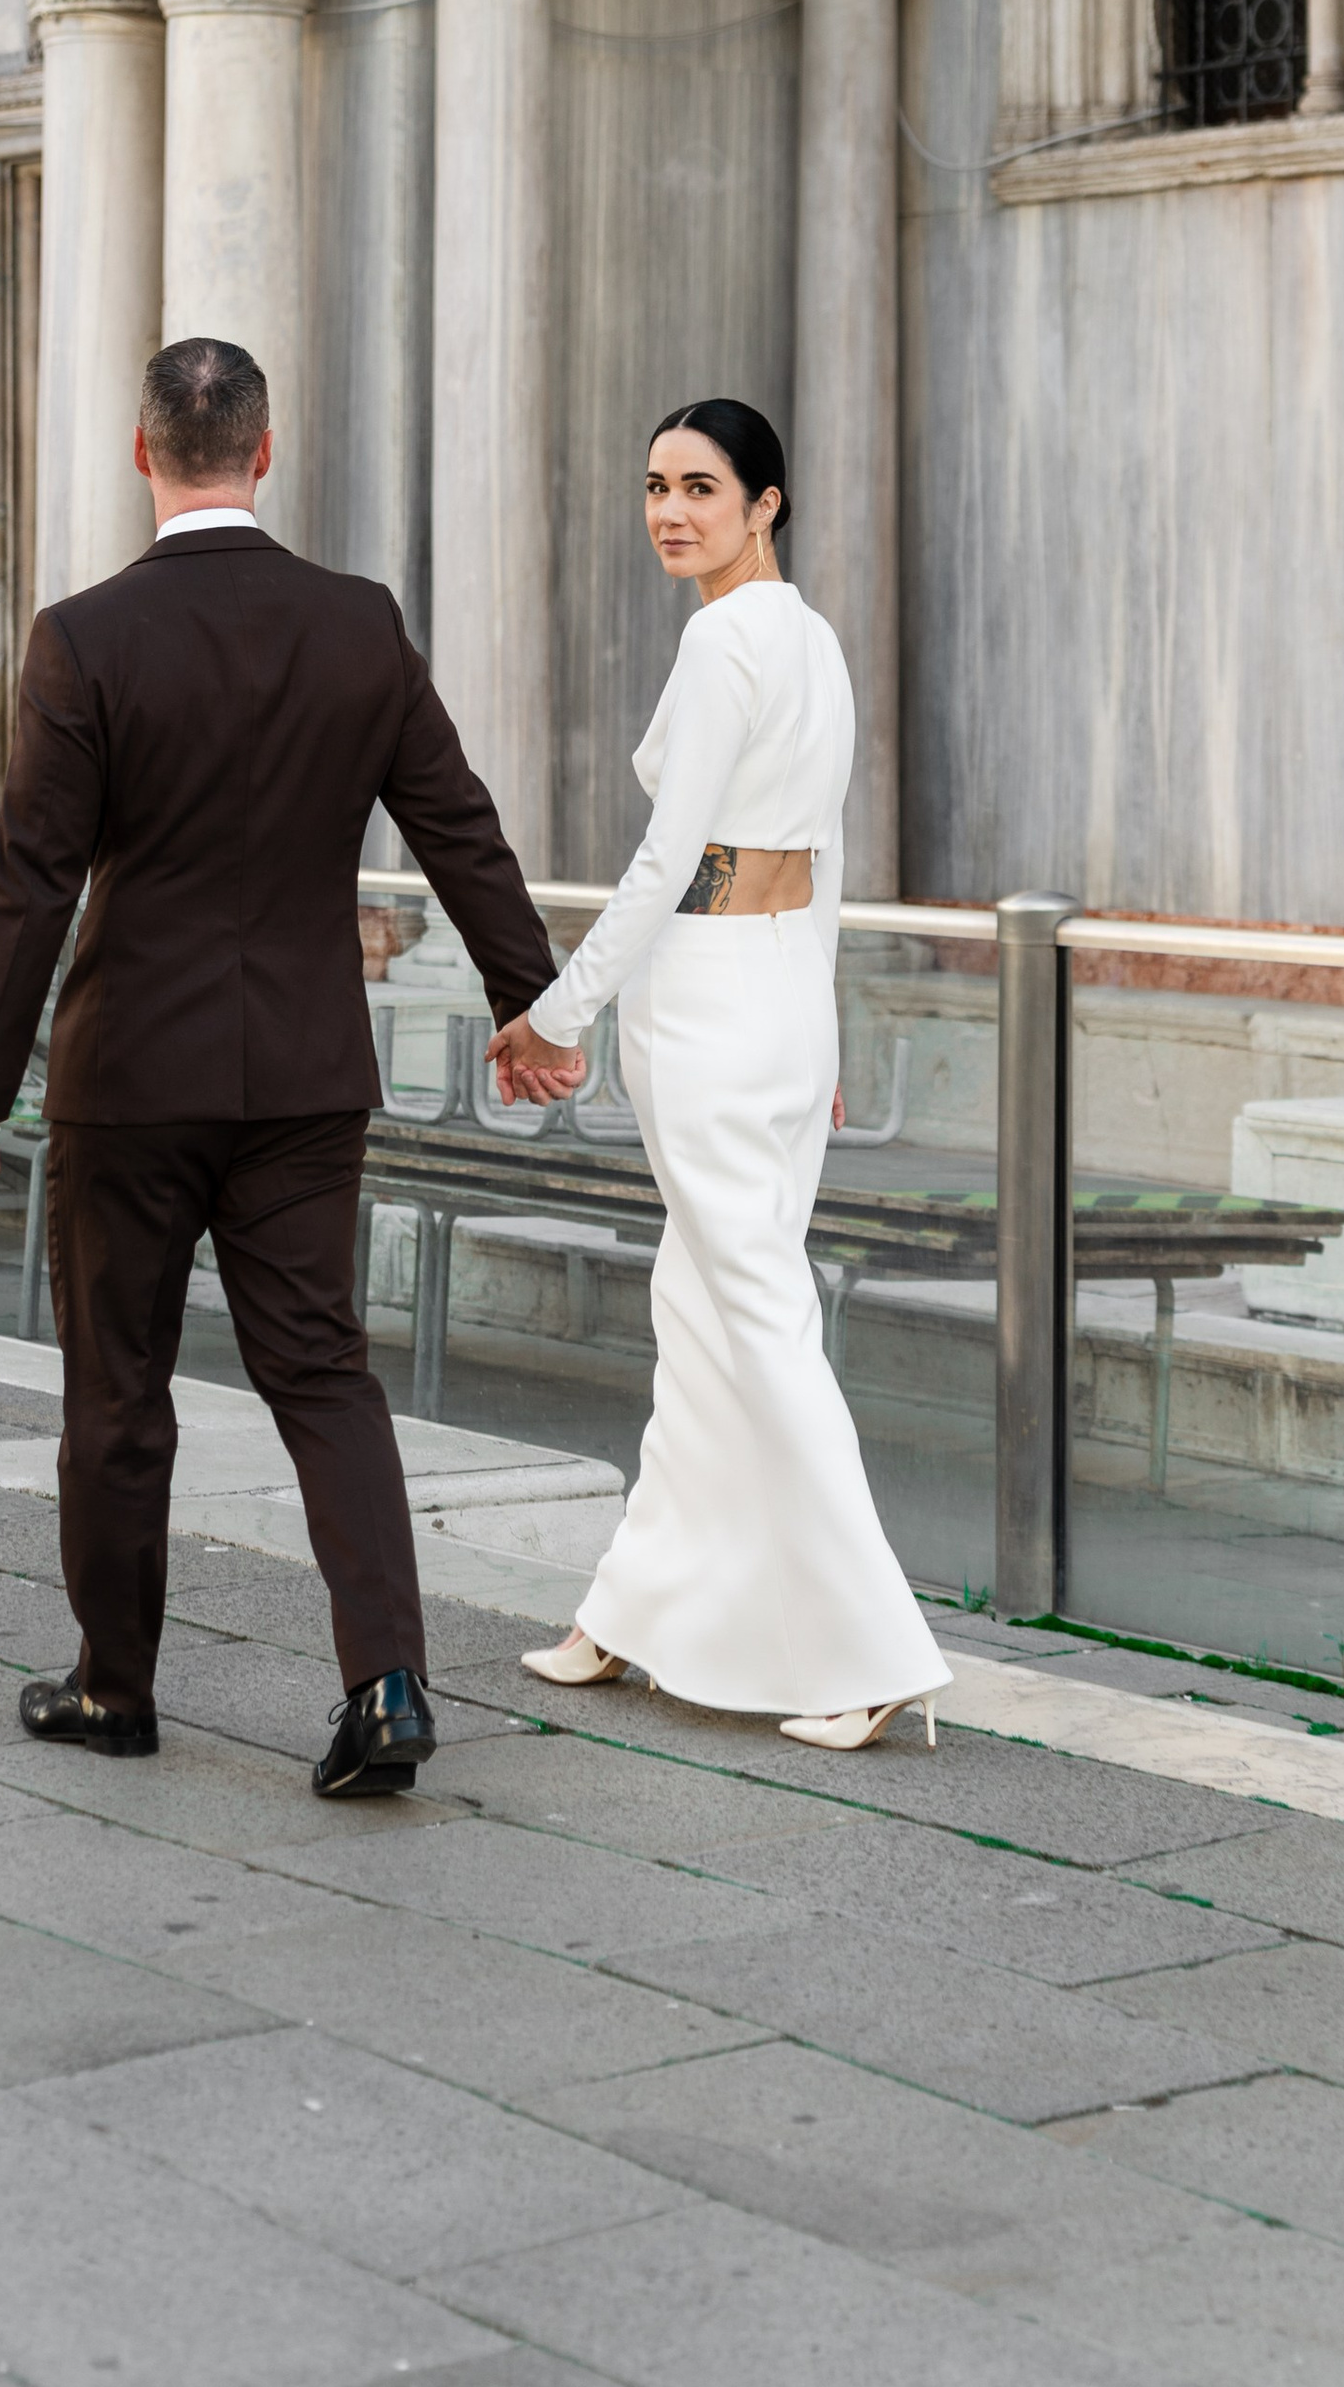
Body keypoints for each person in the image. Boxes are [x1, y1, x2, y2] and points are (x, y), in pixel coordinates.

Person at [0, 336, 572, 1794]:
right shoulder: (358, 624)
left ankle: (114, 1689)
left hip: (130, 1076)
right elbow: (457, 823)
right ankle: (387, 1684)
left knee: (118, 1389)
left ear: (142, 453)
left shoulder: (84, 637)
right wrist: (529, 1003)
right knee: (325, 1375)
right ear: (265, 452)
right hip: (302, 1072)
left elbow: (30, 882)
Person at [488, 401, 952, 1753]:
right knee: (700, 1306)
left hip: (711, 1008)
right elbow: (826, 853)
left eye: (701, 487)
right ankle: (627, 1611)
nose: (670, 511)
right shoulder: (812, 639)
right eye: (655, 485)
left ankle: (873, 1651)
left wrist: (555, 1013)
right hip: (776, 1003)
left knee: (750, 1315)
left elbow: (665, 860)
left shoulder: (726, 638)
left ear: (766, 503)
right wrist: (822, 1033)